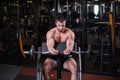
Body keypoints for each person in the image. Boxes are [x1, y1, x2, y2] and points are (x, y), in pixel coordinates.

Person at [42, 13, 77, 80]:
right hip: (53, 59)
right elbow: (50, 43)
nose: (61, 27)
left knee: (74, 67)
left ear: (65, 23)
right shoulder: (51, 33)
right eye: (59, 25)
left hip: (66, 59)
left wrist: (68, 49)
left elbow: (70, 43)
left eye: (63, 25)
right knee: (44, 68)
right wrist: (52, 49)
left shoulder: (70, 33)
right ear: (56, 23)